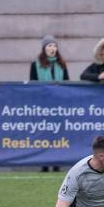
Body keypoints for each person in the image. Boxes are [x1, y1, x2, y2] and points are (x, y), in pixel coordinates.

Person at [30, 35, 69, 173]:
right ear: (44, 48)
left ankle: (57, 162)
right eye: (49, 46)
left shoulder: (62, 64)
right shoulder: (35, 64)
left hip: (58, 106)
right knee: (44, 134)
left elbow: (67, 83)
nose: (52, 48)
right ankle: (44, 163)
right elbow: (32, 84)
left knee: (57, 133)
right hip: (43, 106)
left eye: (54, 46)